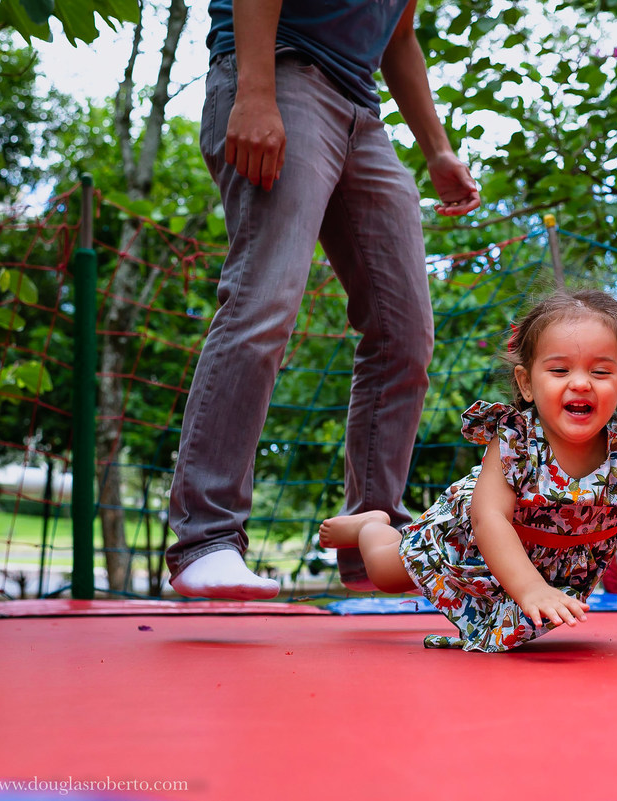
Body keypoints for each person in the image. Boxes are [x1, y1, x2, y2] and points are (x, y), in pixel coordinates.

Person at [166, 0, 480, 600]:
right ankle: (205, 539)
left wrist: (436, 148)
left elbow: (399, 35)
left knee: (405, 333)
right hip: (281, 73)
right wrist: (254, 94)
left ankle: (373, 542)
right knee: (265, 301)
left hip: (362, 109)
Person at [318, 289, 617, 652]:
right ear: (526, 383)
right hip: (474, 543)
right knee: (384, 571)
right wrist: (529, 587)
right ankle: (374, 524)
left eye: (601, 371)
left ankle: (384, 530)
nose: (581, 383)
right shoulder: (515, 439)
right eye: (560, 370)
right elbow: (490, 521)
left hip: (553, 565)